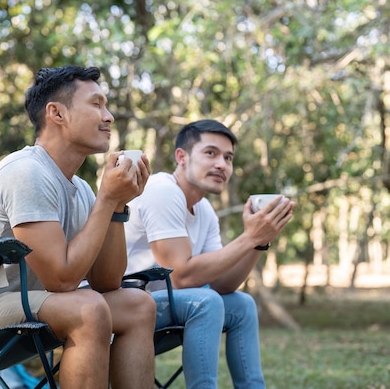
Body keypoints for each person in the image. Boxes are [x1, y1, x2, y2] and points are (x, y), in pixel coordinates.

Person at [0, 65, 157, 389]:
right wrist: (105, 200)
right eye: (96, 104)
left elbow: (107, 281)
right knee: (86, 309)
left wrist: (116, 206)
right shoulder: (27, 172)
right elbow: (61, 280)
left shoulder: (81, 190)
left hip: (24, 310)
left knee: (137, 304)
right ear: (56, 113)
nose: (109, 116)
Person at [124, 119, 295, 389]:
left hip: (164, 304)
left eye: (228, 158)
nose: (221, 164)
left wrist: (260, 242)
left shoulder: (204, 211)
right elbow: (180, 276)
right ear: (182, 157)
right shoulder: (162, 190)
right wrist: (249, 237)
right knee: (205, 301)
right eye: (211, 153)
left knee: (242, 305)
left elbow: (223, 283)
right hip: (127, 306)